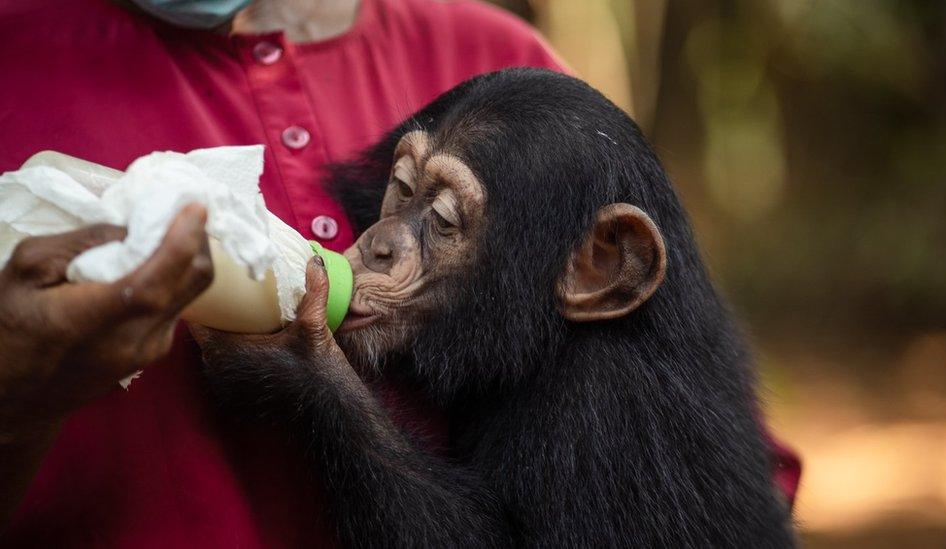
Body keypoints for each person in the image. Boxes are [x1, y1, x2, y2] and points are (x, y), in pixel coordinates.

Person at [0, 1, 798, 546]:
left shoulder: (505, 61)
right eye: (401, 188)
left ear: (596, 275)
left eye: (442, 221)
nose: (378, 241)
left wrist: (330, 398)